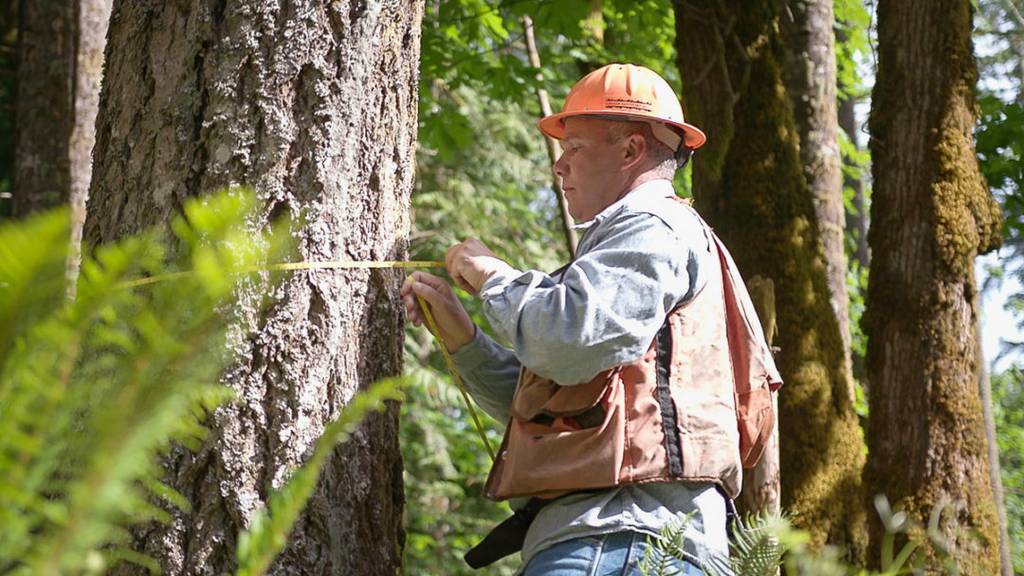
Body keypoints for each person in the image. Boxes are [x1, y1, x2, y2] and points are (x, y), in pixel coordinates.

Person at [401, 63, 779, 575]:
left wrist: (494, 278)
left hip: (620, 540)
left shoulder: (651, 225)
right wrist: (464, 340)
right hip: (626, 539)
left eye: (575, 147)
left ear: (631, 151)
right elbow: (564, 400)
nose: (559, 167)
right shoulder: (642, 244)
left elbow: (567, 341)